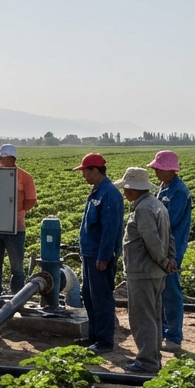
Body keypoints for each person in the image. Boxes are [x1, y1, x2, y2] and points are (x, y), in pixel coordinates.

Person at [116, 167, 177, 373]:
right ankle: (153, 357)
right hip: (155, 272)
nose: (124, 192)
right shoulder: (157, 204)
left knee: (142, 318)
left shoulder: (142, 209)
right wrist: (169, 259)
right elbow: (170, 236)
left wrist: (163, 260)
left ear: (134, 189)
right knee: (154, 317)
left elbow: (151, 239)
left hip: (143, 271)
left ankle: (147, 361)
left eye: (126, 188)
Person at [75, 152, 125, 354]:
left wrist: (104, 256)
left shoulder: (109, 194)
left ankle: (105, 341)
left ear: (95, 170)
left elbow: (110, 229)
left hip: (99, 256)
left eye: (85, 172)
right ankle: (94, 336)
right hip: (89, 254)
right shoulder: (96, 191)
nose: (83, 176)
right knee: (89, 295)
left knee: (102, 298)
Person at [149, 150, 191, 353]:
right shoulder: (164, 188)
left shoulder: (179, 192)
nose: (156, 171)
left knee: (171, 290)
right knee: (163, 290)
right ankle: (165, 330)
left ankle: (174, 335)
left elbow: (169, 222)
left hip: (173, 248)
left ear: (170, 170)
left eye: (159, 168)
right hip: (162, 246)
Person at [0, 144, 38, 302]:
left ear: (10, 158)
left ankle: (17, 299)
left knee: (17, 267)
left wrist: (15, 212)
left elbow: (31, 200)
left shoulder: (25, 177)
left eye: (1, 157)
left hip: (16, 228)